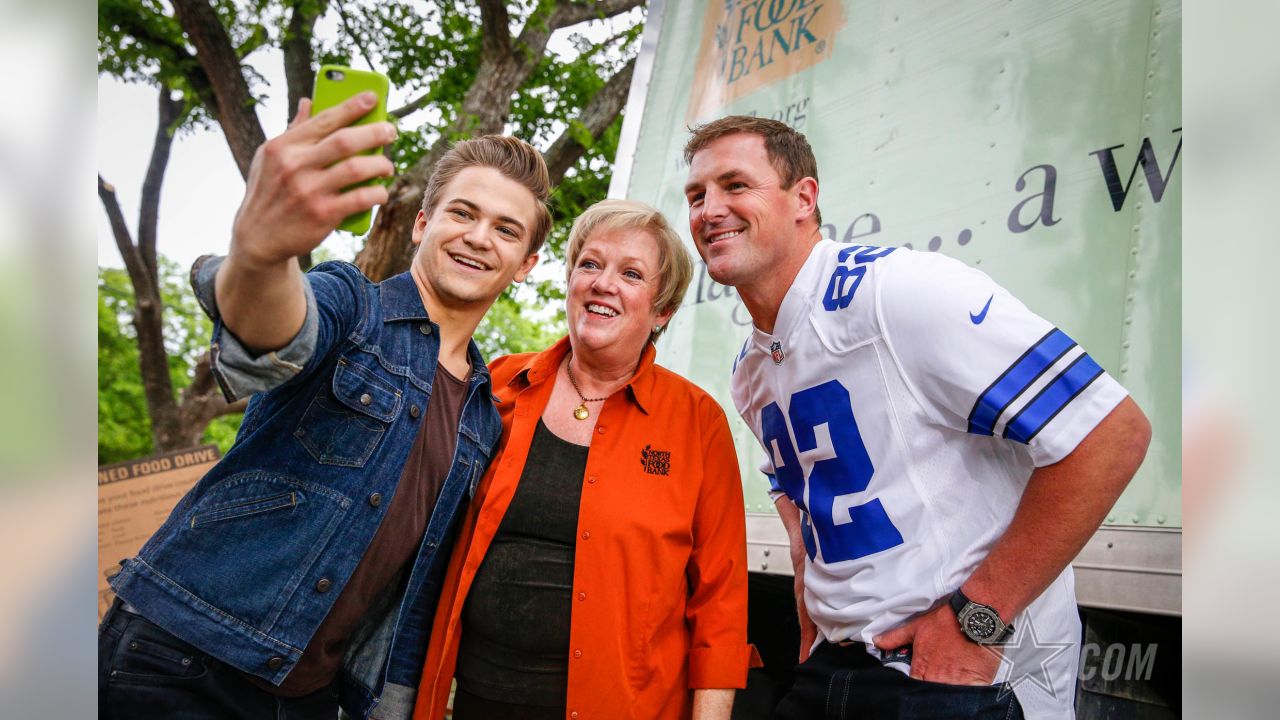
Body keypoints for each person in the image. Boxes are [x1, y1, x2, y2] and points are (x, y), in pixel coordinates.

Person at [98, 91, 552, 720]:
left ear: (525, 264)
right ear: (423, 224)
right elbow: (275, 334)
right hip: (186, 657)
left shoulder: (482, 417)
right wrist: (261, 254)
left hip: (314, 698)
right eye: (462, 213)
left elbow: (409, 594)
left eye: (505, 229)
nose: (479, 237)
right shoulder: (350, 303)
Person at [681, 116, 1152, 719]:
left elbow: (1111, 433)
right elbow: (804, 527)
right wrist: (810, 632)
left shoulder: (898, 290)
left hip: (957, 678)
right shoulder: (751, 369)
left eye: (735, 184)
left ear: (804, 198)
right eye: (696, 196)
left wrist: (976, 621)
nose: (710, 208)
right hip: (835, 667)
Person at [412, 199, 759, 720]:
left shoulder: (696, 421)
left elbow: (720, 599)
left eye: (632, 274)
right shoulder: (499, 383)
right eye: (590, 264)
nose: (603, 284)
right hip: (478, 698)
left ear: (661, 310)